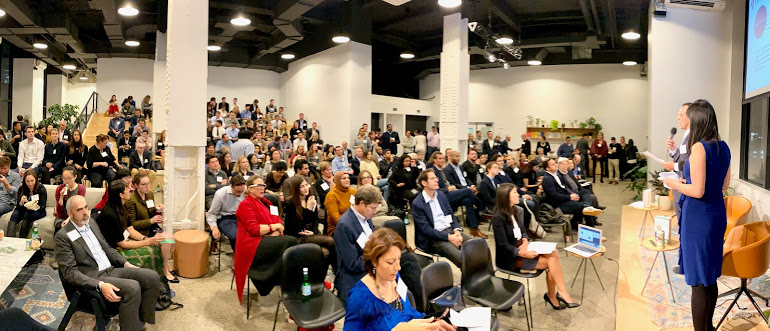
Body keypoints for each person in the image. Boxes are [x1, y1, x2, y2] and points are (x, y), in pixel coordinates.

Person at [658, 99, 730, 331]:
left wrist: (675, 184)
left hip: (698, 217)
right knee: (708, 277)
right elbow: (723, 185)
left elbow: (697, 191)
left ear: (697, 119)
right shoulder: (723, 146)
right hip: (716, 213)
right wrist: (685, 182)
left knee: (698, 281)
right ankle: (709, 327)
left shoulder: (699, 147)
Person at [55, 195, 162, 331]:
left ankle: (138, 322)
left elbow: (107, 248)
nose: (85, 212)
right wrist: (100, 284)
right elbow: (70, 273)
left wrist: (125, 264)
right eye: (79, 210)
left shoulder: (92, 223)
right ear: (70, 214)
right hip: (94, 276)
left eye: (86, 207)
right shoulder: (63, 236)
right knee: (133, 287)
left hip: (111, 269)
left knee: (152, 277)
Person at [343, 227, 455, 331]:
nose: (398, 267)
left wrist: (431, 321)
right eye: (390, 262)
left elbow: (409, 312)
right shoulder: (359, 297)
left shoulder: (394, 277)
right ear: (374, 262)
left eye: (398, 260)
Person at [491, 183, 579, 309]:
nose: (518, 195)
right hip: (510, 257)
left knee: (553, 253)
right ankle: (555, 295)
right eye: (515, 193)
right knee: (552, 262)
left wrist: (526, 242)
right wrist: (522, 253)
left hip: (522, 247)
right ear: (506, 196)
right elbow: (503, 244)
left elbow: (523, 231)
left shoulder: (515, 210)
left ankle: (558, 293)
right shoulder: (498, 218)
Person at [234, 175, 298, 302]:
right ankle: (290, 284)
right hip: (251, 245)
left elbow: (279, 222)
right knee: (291, 242)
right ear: (250, 188)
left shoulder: (267, 203)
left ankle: (291, 282)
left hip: (267, 238)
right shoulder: (245, 205)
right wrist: (274, 227)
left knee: (293, 247)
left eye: (263, 185)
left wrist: (273, 232)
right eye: (258, 185)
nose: (262, 188)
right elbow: (255, 229)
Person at [95, 179, 170, 281]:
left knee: (162, 243)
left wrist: (145, 239)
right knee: (149, 253)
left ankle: (163, 276)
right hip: (112, 249)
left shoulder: (124, 205)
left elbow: (130, 228)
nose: (130, 190)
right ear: (121, 195)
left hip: (129, 238)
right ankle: (151, 282)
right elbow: (123, 243)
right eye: (127, 189)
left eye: (148, 183)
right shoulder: (110, 214)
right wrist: (147, 241)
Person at [411, 169, 471, 268]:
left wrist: (457, 231)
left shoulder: (441, 195)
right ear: (424, 183)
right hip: (434, 238)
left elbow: (450, 215)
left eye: (436, 177)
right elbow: (426, 230)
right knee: (462, 259)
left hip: (451, 231)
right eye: (432, 178)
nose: (436, 180)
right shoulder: (418, 203)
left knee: (477, 247)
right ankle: (469, 282)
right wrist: (449, 237)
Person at [331, 185, 379, 302]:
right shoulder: (345, 226)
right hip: (355, 274)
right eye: (373, 208)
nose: (375, 211)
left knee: (407, 261)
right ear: (362, 203)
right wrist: (376, 256)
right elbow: (353, 265)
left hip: (371, 264)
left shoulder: (365, 216)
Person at [283, 176, 336, 266]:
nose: (305, 188)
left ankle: (334, 273)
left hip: (310, 232)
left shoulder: (311, 199)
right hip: (297, 235)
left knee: (326, 251)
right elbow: (297, 227)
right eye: (301, 186)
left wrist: (313, 232)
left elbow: (315, 220)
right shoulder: (290, 203)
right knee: (330, 241)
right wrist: (308, 209)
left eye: (306, 185)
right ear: (296, 188)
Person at [542, 158, 593, 230]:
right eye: (553, 164)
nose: (556, 165)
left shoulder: (555, 175)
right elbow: (554, 196)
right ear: (547, 168)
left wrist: (572, 194)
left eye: (555, 163)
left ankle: (587, 206)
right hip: (558, 204)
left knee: (585, 192)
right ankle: (591, 229)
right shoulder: (548, 179)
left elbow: (565, 187)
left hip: (565, 199)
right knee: (582, 207)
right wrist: (569, 197)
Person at [207, 174, 246, 250]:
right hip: (226, 218)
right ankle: (239, 257)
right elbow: (212, 213)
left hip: (242, 216)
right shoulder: (221, 194)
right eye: (237, 191)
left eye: (242, 191)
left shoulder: (246, 190)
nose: (240, 194)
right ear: (231, 187)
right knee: (235, 236)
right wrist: (214, 227)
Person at [6, 169, 46, 238]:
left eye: (32, 181)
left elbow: (42, 206)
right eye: (27, 181)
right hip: (24, 209)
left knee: (28, 214)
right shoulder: (22, 189)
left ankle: (22, 238)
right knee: (15, 215)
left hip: (37, 211)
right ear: (24, 181)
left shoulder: (41, 189)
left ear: (36, 180)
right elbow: (18, 206)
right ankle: (10, 239)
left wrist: (34, 205)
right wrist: (21, 202)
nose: (30, 184)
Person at [54, 166, 86, 233]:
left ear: (75, 177)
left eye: (69, 178)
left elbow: (78, 208)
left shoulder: (81, 189)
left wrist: (69, 219)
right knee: (58, 227)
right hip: (62, 217)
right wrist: (61, 197)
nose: (66, 181)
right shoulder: (59, 188)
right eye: (64, 178)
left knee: (72, 229)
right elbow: (59, 211)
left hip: (75, 217)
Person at [324, 171, 356, 236]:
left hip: (354, 225)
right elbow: (336, 219)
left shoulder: (354, 192)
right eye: (344, 178)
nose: (347, 180)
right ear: (338, 181)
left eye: (348, 178)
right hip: (337, 228)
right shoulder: (331, 196)